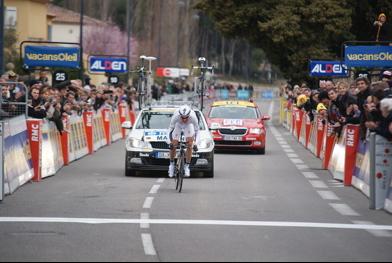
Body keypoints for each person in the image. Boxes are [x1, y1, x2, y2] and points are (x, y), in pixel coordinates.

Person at [168, 105, 200, 178]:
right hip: (178, 125)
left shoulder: (193, 117)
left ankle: (187, 166)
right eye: (182, 117)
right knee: (174, 143)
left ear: (189, 115)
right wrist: (170, 142)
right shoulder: (176, 116)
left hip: (189, 126)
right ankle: (171, 165)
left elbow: (197, 131)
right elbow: (170, 129)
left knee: (190, 144)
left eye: (186, 117)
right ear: (180, 115)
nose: (184, 119)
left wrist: (196, 143)